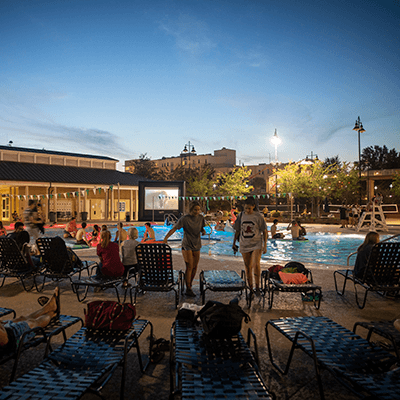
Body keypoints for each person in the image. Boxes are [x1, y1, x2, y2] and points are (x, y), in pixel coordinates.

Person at [163, 201, 206, 297]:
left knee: (195, 266)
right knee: (189, 266)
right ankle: (188, 288)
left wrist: (203, 231)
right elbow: (174, 228)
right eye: (195, 210)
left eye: (198, 210)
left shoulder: (201, 218)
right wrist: (166, 238)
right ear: (191, 209)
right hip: (187, 245)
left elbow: (201, 228)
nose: (197, 211)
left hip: (197, 244)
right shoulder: (184, 219)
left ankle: (189, 284)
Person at [0, 287, 59, 354]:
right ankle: (51, 314)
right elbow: (5, 339)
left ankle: (48, 308)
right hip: (12, 336)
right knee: (33, 323)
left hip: (7, 329)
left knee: (22, 318)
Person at [232, 197, 268, 297]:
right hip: (244, 244)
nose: (248, 210)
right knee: (247, 267)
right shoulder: (241, 215)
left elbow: (264, 231)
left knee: (255, 264)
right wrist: (234, 243)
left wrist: (265, 245)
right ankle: (251, 289)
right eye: (246, 208)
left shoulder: (258, 216)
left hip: (256, 244)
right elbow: (238, 230)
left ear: (254, 206)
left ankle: (257, 287)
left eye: (250, 208)